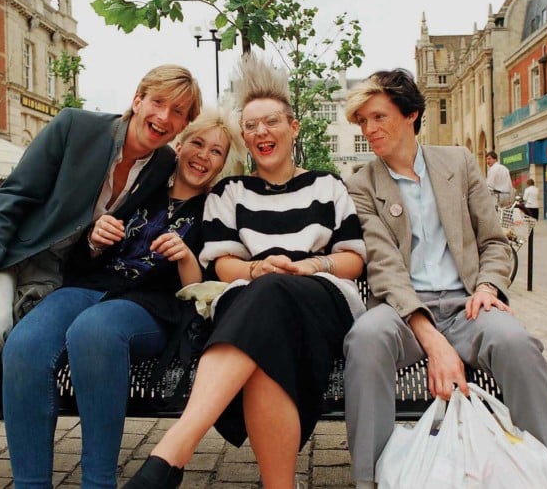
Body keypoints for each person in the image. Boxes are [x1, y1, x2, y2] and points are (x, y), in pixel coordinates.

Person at [0, 64, 202, 489]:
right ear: (137, 98)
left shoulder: (162, 163)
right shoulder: (76, 127)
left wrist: (95, 241)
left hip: (54, 279)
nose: (164, 117)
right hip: (8, 258)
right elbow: (14, 195)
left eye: (178, 112)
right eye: (158, 102)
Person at [124, 55, 367, 489]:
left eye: (271, 121)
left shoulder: (327, 185)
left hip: (320, 297)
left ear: (292, 127)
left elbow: (353, 258)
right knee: (264, 335)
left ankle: (173, 450)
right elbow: (223, 263)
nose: (260, 132)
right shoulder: (230, 192)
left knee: (270, 297)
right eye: (250, 126)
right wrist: (257, 269)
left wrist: (311, 264)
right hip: (253, 299)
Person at [342, 69, 547, 489]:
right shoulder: (361, 185)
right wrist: (433, 340)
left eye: (377, 117)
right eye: (362, 122)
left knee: (519, 345)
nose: (368, 130)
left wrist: (486, 287)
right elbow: (384, 267)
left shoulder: (458, 163)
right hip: (403, 312)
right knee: (365, 340)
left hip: (468, 304)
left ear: (410, 114)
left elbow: (495, 242)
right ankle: (369, 480)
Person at [2, 110, 244, 489]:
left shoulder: (215, 208)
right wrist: (96, 239)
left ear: (222, 163)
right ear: (178, 147)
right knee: (23, 346)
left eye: (216, 151)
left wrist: (184, 256)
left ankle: (98, 483)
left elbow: (198, 288)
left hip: (152, 305)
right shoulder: (143, 186)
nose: (203, 155)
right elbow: (83, 256)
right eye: (197, 143)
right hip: (91, 285)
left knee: (94, 331)